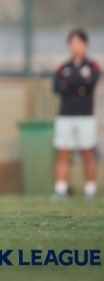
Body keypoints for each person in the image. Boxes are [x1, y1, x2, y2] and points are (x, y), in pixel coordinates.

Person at [52, 29, 100, 200]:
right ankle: (60, 189)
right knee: (63, 153)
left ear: (85, 45)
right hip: (65, 115)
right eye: (72, 43)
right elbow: (57, 88)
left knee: (88, 153)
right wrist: (78, 85)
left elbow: (89, 85)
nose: (76, 47)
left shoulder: (92, 66)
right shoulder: (62, 67)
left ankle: (90, 190)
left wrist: (71, 83)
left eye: (79, 43)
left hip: (85, 115)